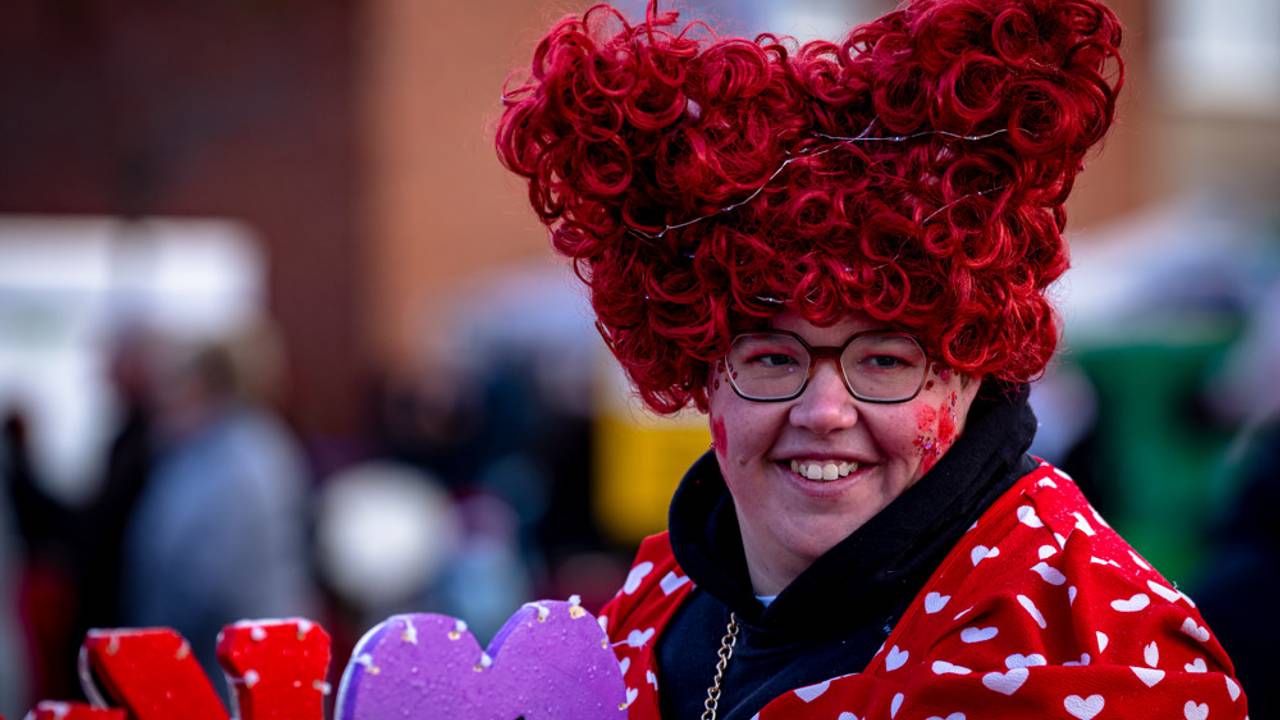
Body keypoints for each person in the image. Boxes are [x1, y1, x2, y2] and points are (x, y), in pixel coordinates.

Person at [496, 0, 1247, 718]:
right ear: (700, 371)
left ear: (969, 368)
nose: (824, 412)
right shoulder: (657, 603)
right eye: (771, 359)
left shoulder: (1094, 650)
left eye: (885, 361)